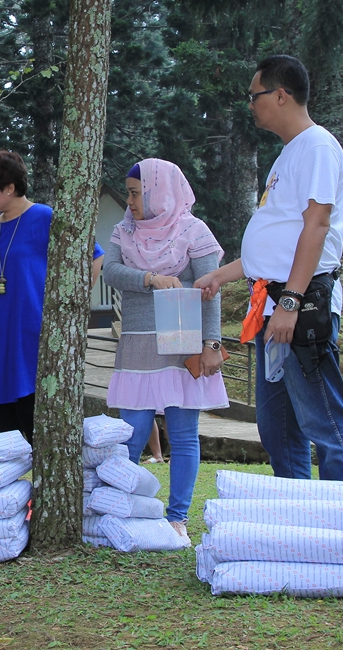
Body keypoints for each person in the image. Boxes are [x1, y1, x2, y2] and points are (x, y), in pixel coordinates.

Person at [196, 55, 343, 488]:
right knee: (279, 428)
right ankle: (296, 515)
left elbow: (317, 225)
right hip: (271, 306)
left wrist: (291, 300)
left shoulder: (317, 147)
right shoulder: (289, 154)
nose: (250, 104)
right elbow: (278, 241)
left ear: (279, 95)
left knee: (324, 420)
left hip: (300, 304)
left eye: (254, 95)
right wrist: (222, 275)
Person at [105, 159, 228, 542]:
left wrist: (211, 344)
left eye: (135, 193)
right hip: (137, 344)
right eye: (129, 193)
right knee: (131, 433)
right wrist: (150, 278)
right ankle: (124, 510)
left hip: (182, 343)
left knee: (184, 434)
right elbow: (110, 271)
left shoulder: (194, 230)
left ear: (159, 192)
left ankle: (178, 518)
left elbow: (210, 291)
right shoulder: (124, 230)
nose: (130, 201)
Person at [0, 151, 103, 442]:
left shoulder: (46, 218)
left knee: (33, 420)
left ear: (9, 188)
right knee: (6, 432)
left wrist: (73, 306)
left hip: (32, 335)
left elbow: (94, 256)